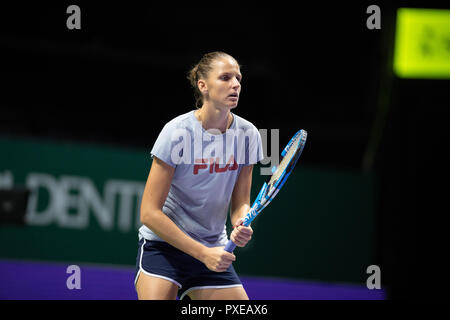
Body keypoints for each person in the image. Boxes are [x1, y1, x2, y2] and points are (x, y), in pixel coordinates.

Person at [135, 51, 264, 300]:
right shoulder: (176, 132)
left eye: (238, 77)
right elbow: (149, 213)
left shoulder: (248, 135)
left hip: (214, 248)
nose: (236, 84)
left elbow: (240, 202)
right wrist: (202, 253)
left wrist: (240, 221)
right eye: (225, 77)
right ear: (202, 85)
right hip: (164, 247)